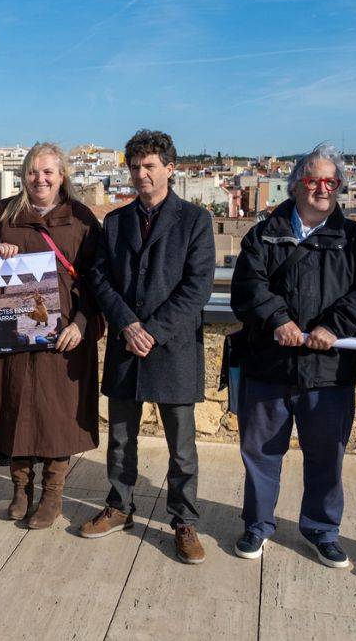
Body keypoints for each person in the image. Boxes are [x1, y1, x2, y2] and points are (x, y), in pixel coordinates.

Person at [230, 143, 356, 568]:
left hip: (329, 370)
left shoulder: (355, 240)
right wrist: (278, 321)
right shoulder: (264, 233)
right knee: (260, 454)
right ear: (296, 185)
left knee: (326, 456)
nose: (322, 188)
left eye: (331, 181)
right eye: (313, 180)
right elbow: (248, 288)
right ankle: (257, 526)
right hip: (269, 365)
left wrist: (334, 327)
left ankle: (321, 530)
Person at [82, 129, 215, 564]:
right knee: (120, 439)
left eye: (150, 166)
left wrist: (152, 330)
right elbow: (100, 277)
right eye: (136, 166)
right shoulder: (116, 221)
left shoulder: (195, 220)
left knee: (182, 446)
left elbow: (197, 287)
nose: (141, 174)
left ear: (170, 169)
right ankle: (120, 505)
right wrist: (127, 324)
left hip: (171, 349)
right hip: (126, 345)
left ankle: (183, 520)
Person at [0, 142, 103, 529]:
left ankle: (52, 495)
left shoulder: (82, 219)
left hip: (63, 337)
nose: (39, 179)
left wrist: (83, 324)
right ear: (23, 175)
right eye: (32, 172)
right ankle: (20, 489)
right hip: (10, 336)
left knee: (57, 417)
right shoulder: (2, 215)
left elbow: (100, 282)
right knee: (14, 408)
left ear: (62, 177)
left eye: (48, 172)